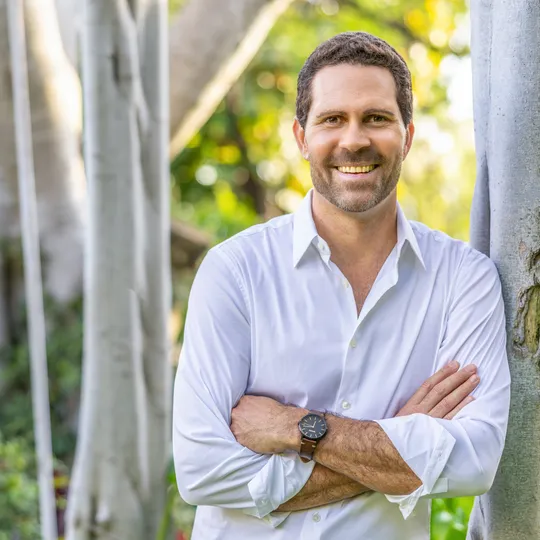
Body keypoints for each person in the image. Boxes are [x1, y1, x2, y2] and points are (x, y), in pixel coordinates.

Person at [172, 31, 510, 539]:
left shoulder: (464, 279)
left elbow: (474, 461)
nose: (354, 140)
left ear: (407, 136)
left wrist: (296, 427)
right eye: (332, 119)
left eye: (376, 118)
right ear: (301, 137)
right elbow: (202, 469)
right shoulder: (235, 271)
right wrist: (399, 442)